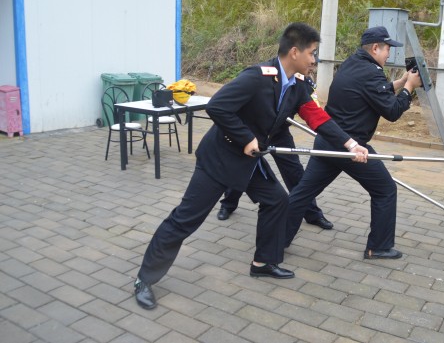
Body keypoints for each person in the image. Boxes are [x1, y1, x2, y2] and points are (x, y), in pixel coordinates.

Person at [133, 22, 368, 310]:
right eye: (312, 53)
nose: (314, 61)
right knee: (186, 218)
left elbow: (317, 118)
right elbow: (217, 107)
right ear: (294, 52)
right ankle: (144, 279)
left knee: (277, 200)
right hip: (220, 159)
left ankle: (263, 262)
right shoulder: (256, 77)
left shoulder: (296, 86)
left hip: (249, 161)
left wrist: (351, 144)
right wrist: (246, 138)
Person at [286, 26, 422, 260]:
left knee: (302, 194)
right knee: (385, 190)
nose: (389, 54)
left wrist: (399, 82)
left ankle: (275, 238)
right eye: (387, 48)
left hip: (329, 140)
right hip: (350, 146)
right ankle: (378, 247)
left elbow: (373, 92)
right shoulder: (372, 72)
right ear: (376, 48)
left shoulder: (353, 63)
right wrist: (410, 88)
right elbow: (391, 110)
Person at [216, 76, 333, 230]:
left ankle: (312, 213)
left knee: (295, 172)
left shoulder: (304, 82)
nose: (312, 62)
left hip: (280, 133)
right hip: (256, 132)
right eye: (310, 55)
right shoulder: (265, 76)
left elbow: (314, 109)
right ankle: (228, 204)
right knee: (245, 169)